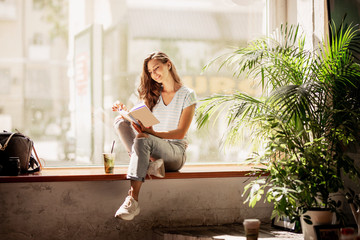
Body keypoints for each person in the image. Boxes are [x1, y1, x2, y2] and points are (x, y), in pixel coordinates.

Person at [112, 51, 197, 221]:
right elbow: (144, 124)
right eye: (150, 72)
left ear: (169, 64)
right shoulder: (153, 95)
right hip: (154, 146)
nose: (154, 74)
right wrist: (125, 113)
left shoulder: (187, 95)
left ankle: (132, 199)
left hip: (175, 152)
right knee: (120, 122)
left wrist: (153, 134)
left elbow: (180, 133)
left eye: (156, 68)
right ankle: (149, 164)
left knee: (144, 138)